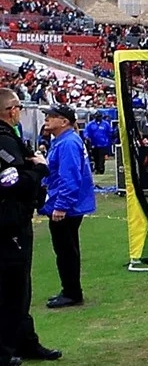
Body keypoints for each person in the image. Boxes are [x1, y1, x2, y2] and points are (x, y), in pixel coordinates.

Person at [0, 88, 62, 365]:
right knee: (10, 289)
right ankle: (4, 352)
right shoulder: (3, 140)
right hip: (7, 224)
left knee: (21, 287)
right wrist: (38, 169)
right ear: (11, 110)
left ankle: (25, 343)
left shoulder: (10, 138)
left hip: (15, 221)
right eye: (18, 109)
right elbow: (9, 181)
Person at [38, 105, 96, 309]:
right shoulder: (64, 141)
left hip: (67, 206)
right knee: (66, 249)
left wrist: (61, 205)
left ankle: (72, 292)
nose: (46, 119)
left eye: (51, 116)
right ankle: (70, 290)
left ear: (64, 121)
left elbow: (69, 177)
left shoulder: (68, 143)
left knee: (66, 250)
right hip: (69, 204)